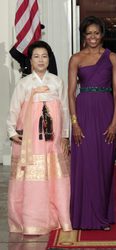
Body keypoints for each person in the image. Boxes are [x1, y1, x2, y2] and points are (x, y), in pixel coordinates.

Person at [6, 40, 72, 235]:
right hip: (31, 142)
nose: (41, 60)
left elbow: (65, 110)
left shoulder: (57, 82)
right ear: (30, 60)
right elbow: (14, 109)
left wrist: (65, 135)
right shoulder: (24, 83)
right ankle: (30, 220)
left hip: (53, 141)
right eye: (36, 56)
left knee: (54, 177)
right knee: (31, 180)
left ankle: (55, 216)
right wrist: (12, 132)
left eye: (44, 56)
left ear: (49, 59)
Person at [68, 16, 116, 230]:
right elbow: (71, 93)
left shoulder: (112, 58)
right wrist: (75, 123)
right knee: (84, 165)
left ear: (102, 35)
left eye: (96, 33)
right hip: (83, 112)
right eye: (88, 33)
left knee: (104, 165)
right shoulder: (76, 59)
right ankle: (83, 216)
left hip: (106, 111)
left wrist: (115, 121)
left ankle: (102, 214)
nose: (92, 37)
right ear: (84, 35)